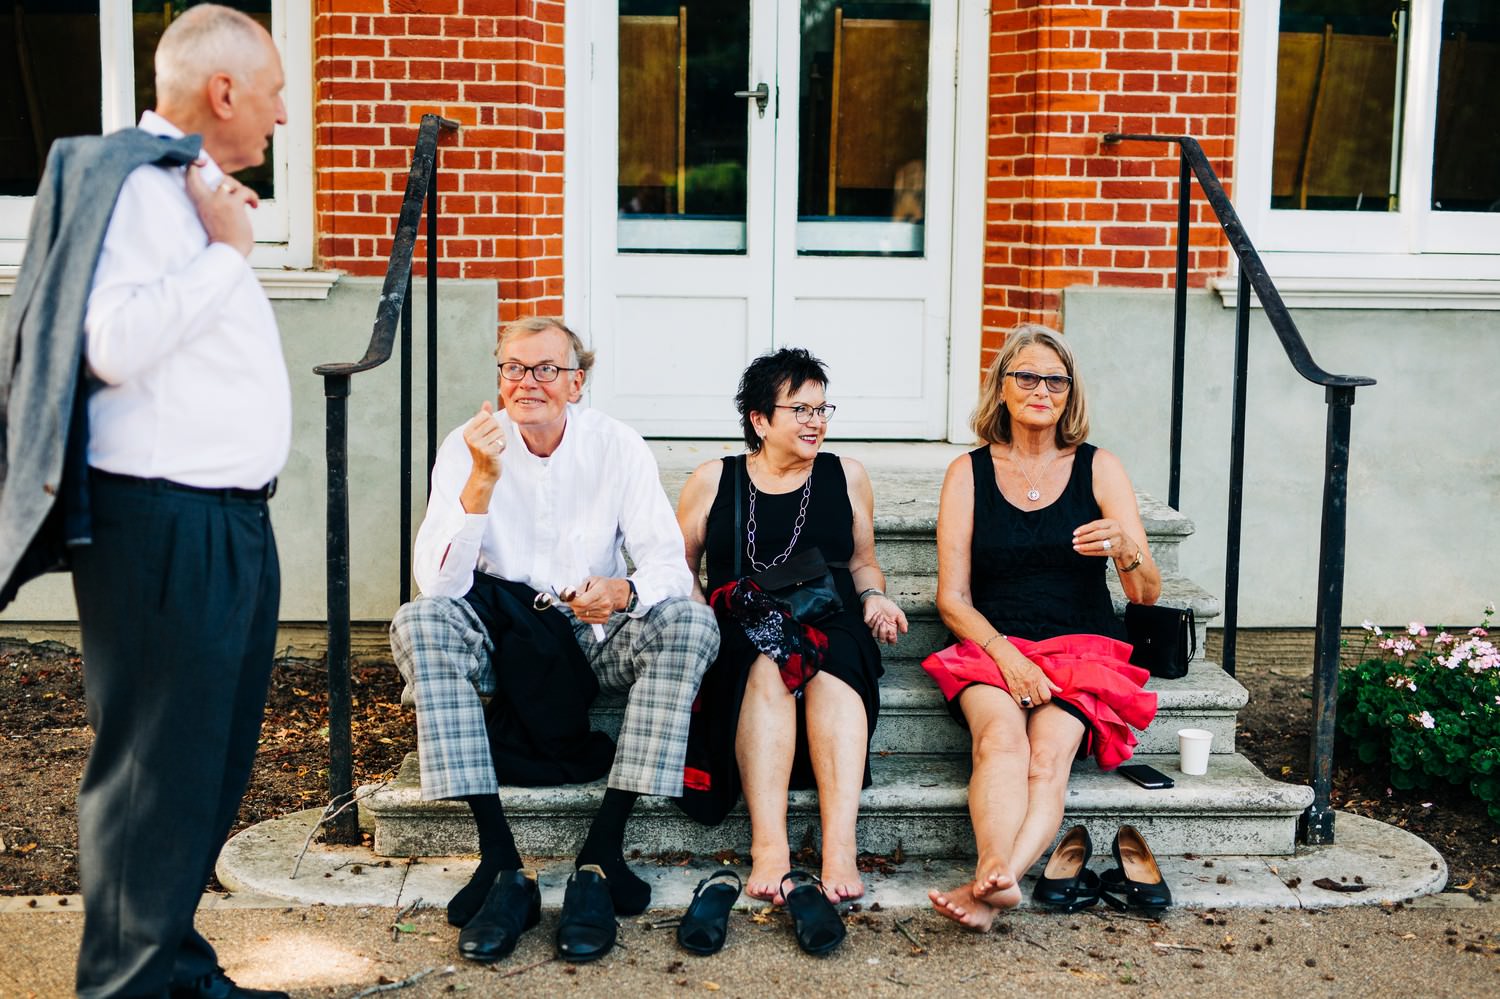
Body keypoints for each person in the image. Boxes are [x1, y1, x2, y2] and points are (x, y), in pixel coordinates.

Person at [0, 6, 291, 997]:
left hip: (225, 519)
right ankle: (124, 985)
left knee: (204, 768)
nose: (282, 114)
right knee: (152, 776)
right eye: (275, 91)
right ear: (222, 92)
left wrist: (220, 239)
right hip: (164, 521)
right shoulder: (134, 187)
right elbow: (112, 345)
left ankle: (171, 967)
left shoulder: (191, 194)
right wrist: (226, 255)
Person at [390, 316, 719, 964]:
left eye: (545, 369)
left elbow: (668, 566)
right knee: (417, 621)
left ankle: (602, 854)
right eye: (514, 366)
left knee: (692, 620)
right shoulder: (468, 444)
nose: (527, 381)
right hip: (501, 632)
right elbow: (439, 582)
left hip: (589, 628)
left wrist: (623, 592)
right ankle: (500, 860)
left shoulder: (616, 445)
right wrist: (481, 478)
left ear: (577, 382)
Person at [925, 324, 1161, 931]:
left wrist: (1127, 549)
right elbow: (951, 599)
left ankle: (992, 886)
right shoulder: (967, 472)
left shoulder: (1099, 468)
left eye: (1055, 380)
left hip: (1085, 646)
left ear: (1069, 393)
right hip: (991, 643)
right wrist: (1009, 658)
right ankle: (995, 867)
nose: (1041, 389)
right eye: (1027, 376)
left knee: (1046, 757)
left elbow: (1146, 595)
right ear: (1002, 387)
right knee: (999, 742)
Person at [675, 348, 907, 905]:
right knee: (770, 664)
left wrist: (875, 597)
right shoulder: (713, 480)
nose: (816, 422)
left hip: (832, 616)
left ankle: (840, 847)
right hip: (745, 621)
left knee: (830, 671)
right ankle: (770, 846)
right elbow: (679, 568)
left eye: (822, 409)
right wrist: (700, 618)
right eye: (800, 410)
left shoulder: (846, 475)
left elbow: (862, 561)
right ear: (760, 419)